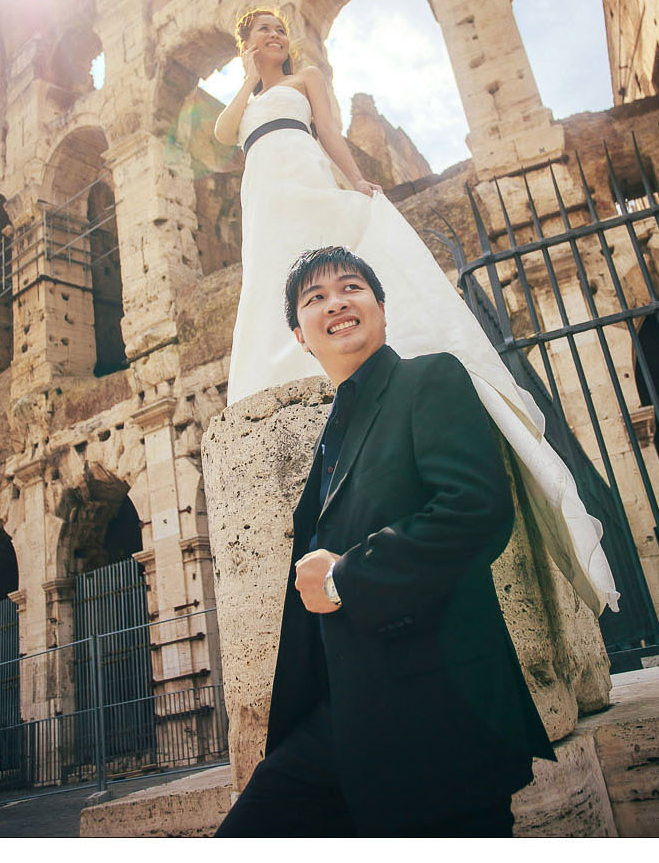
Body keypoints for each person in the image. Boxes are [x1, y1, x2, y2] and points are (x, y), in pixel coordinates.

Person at [213, 7, 616, 615]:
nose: (276, 36)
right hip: (263, 186)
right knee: (275, 267)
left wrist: (353, 181)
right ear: (246, 44)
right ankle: (288, 362)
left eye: (280, 30)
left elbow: (329, 133)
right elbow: (222, 133)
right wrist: (251, 76)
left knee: (328, 254)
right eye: (263, 31)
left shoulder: (307, 80)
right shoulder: (249, 98)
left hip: (300, 165)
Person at [215, 247, 555, 836]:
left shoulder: (430, 378)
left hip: (437, 715)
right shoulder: (331, 435)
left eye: (352, 288)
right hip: (339, 720)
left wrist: (347, 577)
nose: (337, 302)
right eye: (314, 298)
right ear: (301, 335)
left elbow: (475, 510)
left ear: (380, 309)